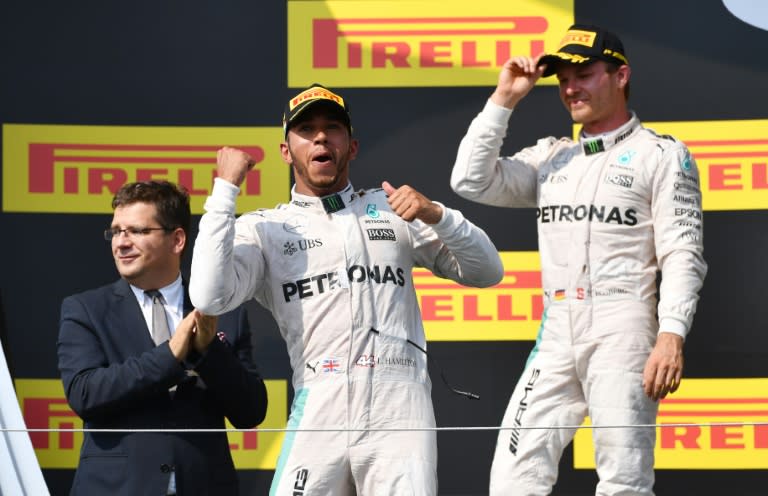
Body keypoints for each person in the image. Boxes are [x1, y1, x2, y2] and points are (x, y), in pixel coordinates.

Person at [189, 83, 504, 495]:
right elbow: (208, 297)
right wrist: (225, 192)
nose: (320, 137)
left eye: (332, 128)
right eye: (306, 130)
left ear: (351, 146)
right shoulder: (264, 228)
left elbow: (488, 271)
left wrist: (438, 214)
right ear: (287, 151)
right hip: (320, 401)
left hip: (400, 406)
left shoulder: (393, 210)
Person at [450, 24, 707, 495]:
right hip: (556, 325)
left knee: (623, 478)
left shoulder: (662, 154)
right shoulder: (553, 158)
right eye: (563, 78)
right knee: (512, 475)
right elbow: (470, 180)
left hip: (623, 324)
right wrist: (504, 98)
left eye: (584, 74)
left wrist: (671, 334)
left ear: (620, 75)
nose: (570, 88)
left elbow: (683, 252)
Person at [58, 180, 268, 496]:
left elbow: (251, 411)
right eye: (116, 231)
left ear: (177, 240)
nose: (121, 243)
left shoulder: (222, 310)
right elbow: (86, 394)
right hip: (115, 488)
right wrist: (170, 355)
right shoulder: (85, 309)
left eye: (137, 231)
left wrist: (207, 351)